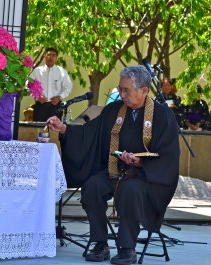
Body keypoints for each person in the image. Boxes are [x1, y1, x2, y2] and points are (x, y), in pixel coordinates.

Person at [47, 66, 180, 265]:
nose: (122, 94)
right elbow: (90, 133)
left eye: (127, 90)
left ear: (144, 90)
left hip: (146, 176)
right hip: (115, 169)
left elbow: (169, 155)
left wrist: (141, 161)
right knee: (92, 186)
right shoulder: (113, 110)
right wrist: (64, 128)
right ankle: (100, 243)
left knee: (130, 189)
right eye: (121, 89)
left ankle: (127, 248)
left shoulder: (162, 116)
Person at [29, 47, 73, 122]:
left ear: (56, 58)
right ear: (44, 56)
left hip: (56, 107)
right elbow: (28, 85)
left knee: (55, 132)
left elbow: (68, 87)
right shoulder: (37, 71)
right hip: (40, 106)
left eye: (53, 55)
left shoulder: (61, 72)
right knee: (38, 130)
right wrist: (38, 96)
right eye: (49, 55)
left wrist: (60, 97)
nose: (51, 57)